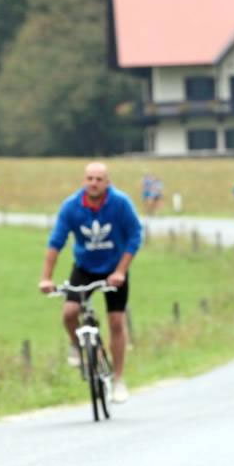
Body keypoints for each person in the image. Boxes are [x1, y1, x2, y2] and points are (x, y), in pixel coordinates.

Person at [39, 163, 144, 404]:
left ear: (107, 182)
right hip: (85, 268)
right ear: (83, 180)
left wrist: (121, 271)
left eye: (99, 179)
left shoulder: (120, 203)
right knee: (70, 312)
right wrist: (46, 278)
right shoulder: (71, 206)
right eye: (89, 178)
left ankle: (118, 379)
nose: (94, 183)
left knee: (116, 321)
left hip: (115, 269)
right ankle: (77, 345)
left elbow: (135, 236)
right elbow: (56, 242)